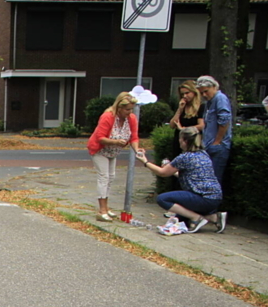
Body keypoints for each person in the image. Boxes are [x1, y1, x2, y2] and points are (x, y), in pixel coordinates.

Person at [137, 126, 226, 234]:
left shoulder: (184, 157)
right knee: (181, 218)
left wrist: (145, 161)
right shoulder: (203, 154)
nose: (179, 142)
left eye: (180, 139)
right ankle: (214, 217)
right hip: (214, 198)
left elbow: (163, 173)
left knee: (163, 199)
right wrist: (173, 171)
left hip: (202, 198)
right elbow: (192, 177)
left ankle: (196, 218)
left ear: (185, 141)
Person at [86, 91, 140, 221]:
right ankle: (102, 210)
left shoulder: (131, 119)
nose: (129, 112)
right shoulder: (108, 117)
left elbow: (134, 137)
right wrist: (116, 142)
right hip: (100, 150)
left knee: (111, 177)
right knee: (104, 177)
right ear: (119, 107)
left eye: (131, 109)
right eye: (127, 109)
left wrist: (137, 150)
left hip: (113, 152)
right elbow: (100, 138)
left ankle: (106, 206)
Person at [196, 75, 232, 184]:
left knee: (214, 179)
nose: (204, 95)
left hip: (218, 147)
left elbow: (224, 120)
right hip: (209, 145)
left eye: (206, 91)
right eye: (202, 93)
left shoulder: (220, 98)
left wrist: (217, 141)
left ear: (214, 87)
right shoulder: (209, 102)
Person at [168, 80, 204, 159]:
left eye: (187, 93)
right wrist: (180, 109)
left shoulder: (201, 107)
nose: (184, 96)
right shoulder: (182, 106)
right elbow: (172, 124)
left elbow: (201, 125)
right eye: (182, 94)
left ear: (194, 92)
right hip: (179, 140)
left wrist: (184, 129)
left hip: (192, 141)